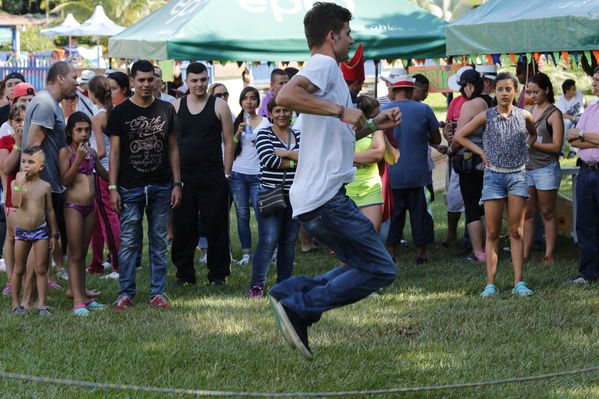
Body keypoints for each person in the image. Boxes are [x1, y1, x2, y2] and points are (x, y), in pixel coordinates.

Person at [269, 2, 401, 360]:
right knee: (381, 268)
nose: (351, 39)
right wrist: (343, 110)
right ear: (332, 36)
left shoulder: (330, 74)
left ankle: (290, 292)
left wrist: (375, 125)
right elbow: (286, 95)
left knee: (363, 265)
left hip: (317, 200)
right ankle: (301, 305)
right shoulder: (324, 64)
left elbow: (336, 135)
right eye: (347, 34)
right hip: (327, 201)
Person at [455, 72, 537, 297]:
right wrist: (481, 152)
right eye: (500, 89)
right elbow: (460, 136)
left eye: (508, 89)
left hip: (517, 176)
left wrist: (525, 149)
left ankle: (519, 282)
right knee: (492, 232)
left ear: (515, 92)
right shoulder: (486, 115)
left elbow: (533, 135)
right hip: (493, 177)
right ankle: (490, 284)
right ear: (494, 91)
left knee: (516, 231)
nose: (504, 93)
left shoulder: (525, 116)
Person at [108, 60, 181, 310]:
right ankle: (126, 292)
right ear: (132, 81)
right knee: (129, 241)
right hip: (130, 188)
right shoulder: (119, 112)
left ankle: (158, 292)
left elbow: (173, 148)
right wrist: (112, 187)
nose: (146, 84)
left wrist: (177, 183)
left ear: (157, 80)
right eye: (141, 80)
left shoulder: (167, 109)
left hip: (161, 187)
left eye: (150, 79)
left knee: (159, 241)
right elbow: (114, 154)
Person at [171, 62, 234, 287]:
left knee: (216, 226)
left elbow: (229, 141)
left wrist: (227, 173)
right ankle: (184, 274)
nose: (199, 84)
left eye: (203, 80)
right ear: (186, 82)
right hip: (185, 176)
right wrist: (175, 178)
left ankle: (218, 274)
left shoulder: (220, 106)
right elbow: (172, 145)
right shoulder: (176, 107)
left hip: (213, 174)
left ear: (208, 80)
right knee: (183, 227)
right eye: (194, 80)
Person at [22, 61, 79, 301]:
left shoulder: (50, 103)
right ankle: (28, 298)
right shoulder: (45, 103)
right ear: (60, 78)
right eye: (74, 77)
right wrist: (37, 187)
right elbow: (32, 146)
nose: (77, 82)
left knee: (41, 243)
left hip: (49, 184)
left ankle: (32, 296)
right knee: (38, 243)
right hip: (42, 187)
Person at [384, 71, 441, 264]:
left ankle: (391, 252)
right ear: (411, 90)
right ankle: (421, 254)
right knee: (420, 214)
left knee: (394, 214)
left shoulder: (383, 111)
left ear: (394, 89)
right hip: (418, 173)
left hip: (392, 174)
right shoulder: (424, 110)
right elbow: (437, 138)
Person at [249, 97, 300, 298]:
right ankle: (257, 285)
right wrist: (296, 158)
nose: (282, 115)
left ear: (291, 113)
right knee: (268, 240)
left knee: (288, 241)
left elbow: (310, 157)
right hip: (270, 192)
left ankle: (284, 285)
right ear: (270, 114)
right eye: (277, 111)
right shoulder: (263, 134)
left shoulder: (299, 134)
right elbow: (270, 160)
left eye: (286, 111)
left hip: (295, 194)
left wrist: (285, 153)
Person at [59, 112, 109, 315]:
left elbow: (104, 174)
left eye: (87, 130)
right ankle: (77, 299)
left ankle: (81, 293)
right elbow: (65, 180)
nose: (83, 133)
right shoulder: (66, 152)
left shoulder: (91, 152)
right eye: (79, 130)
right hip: (73, 208)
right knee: (75, 252)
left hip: (90, 207)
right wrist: (78, 159)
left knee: (83, 253)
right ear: (70, 131)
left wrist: (116, 183)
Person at [9, 146, 59, 316]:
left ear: (41, 166)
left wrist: (54, 233)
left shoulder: (45, 186)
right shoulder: (15, 183)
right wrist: (18, 185)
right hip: (22, 232)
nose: (26, 166)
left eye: (31, 162)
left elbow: (50, 211)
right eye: (23, 162)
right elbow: (16, 204)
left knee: (41, 268)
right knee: (19, 268)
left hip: (41, 232)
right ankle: (16, 304)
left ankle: (42, 305)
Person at [448, 68, 488, 263]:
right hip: (490, 162)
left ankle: (478, 252)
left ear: (469, 86)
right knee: (485, 209)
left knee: (472, 208)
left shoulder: (470, 105)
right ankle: (489, 249)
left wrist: (449, 149)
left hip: (470, 162)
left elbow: (459, 136)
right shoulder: (490, 102)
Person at [522, 72, 563, 264]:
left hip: (546, 168)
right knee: (528, 213)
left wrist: (532, 144)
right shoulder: (528, 109)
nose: (533, 95)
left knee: (547, 212)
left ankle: (548, 255)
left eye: (536, 91)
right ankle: (525, 253)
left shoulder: (554, 114)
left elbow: (556, 147)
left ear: (546, 90)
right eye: (530, 92)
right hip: (528, 167)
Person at [565, 66, 599, 284]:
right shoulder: (591, 109)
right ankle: (587, 274)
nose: (593, 83)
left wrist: (584, 134)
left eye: (597, 80)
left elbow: (580, 135)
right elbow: (572, 139)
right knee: (585, 225)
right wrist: (589, 137)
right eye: (594, 79)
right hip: (586, 172)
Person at [86, 75, 121, 279]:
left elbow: (101, 151)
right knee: (98, 221)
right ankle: (96, 263)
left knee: (109, 219)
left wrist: (84, 152)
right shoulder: (113, 112)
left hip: (102, 173)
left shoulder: (98, 117)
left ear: (91, 94)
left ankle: (117, 266)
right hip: (113, 171)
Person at [231, 87, 270, 265]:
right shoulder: (237, 121)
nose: (249, 102)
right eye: (245, 98)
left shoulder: (265, 123)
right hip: (238, 174)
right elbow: (230, 148)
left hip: (258, 174)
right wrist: (237, 134)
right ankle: (247, 253)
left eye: (253, 98)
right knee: (242, 214)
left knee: (262, 213)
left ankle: (266, 251)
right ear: (241, 101)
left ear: (257, 102)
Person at [0, 104, 26, 296]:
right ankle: (11, 280)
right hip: (12, 197)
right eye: (18, 120)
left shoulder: (36, 140)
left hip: (33, 196)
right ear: (11, 122)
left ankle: (28, 281)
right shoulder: (6, 140)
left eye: (25, 120)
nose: (22, 124)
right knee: (12, 237)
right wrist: (17, 143)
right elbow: (7, 168)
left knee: (31, 237)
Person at [557, 79, 585, 156]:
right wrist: (574, 118)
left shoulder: (578, 94)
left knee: (581, 124)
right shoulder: (560, 99)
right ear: (567, 91)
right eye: (573, 89)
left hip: (580, 117)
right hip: (569, 119)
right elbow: (561, 114)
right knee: (566, 123)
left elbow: (583, 106)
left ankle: (574, 151)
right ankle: (561, 151)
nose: (576, 91)